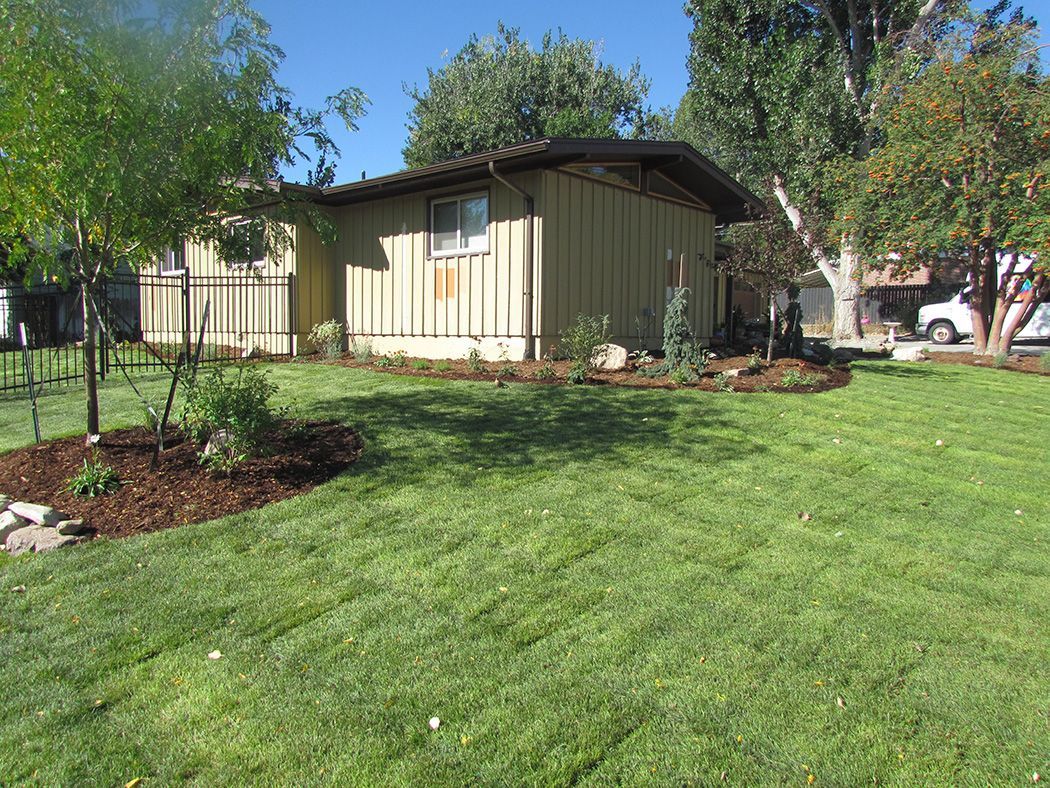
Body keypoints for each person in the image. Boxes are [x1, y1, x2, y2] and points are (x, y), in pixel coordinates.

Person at [783, 285, 804, 358]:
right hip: (791, 327)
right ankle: (790, 354)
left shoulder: (794, 306)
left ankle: (794, 354)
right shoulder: (791, 306)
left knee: (794, 341)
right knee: (789, 341)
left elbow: (794, 317)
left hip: (793, 327)